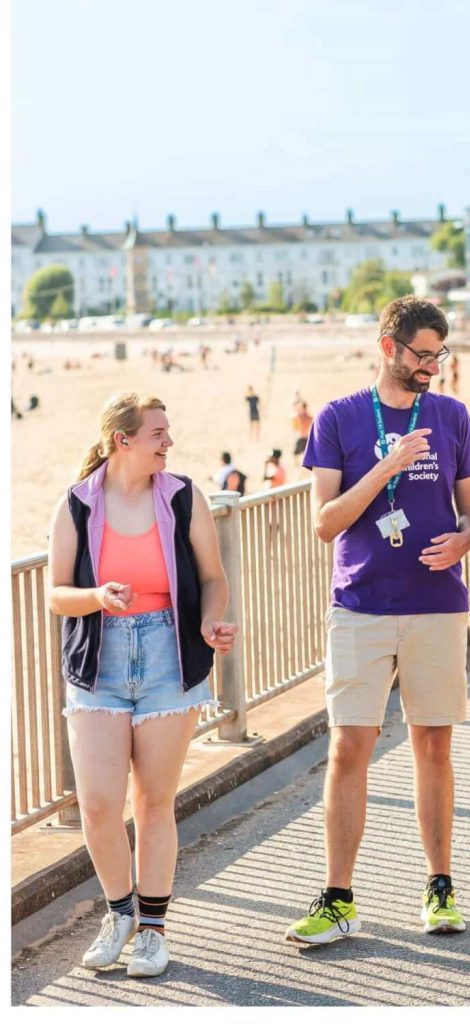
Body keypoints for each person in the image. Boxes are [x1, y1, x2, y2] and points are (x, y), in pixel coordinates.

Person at [289, 296, 470, 945]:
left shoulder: (452, 415)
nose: (431, 366)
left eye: (438, 355)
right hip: (361, 605)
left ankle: (439, 887)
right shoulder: (338, 417)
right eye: (421, 354)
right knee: (350, 747)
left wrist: (466, 539)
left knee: (434, 746)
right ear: (387, 347)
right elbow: (325, 523)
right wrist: (386, 467)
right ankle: (338, 898)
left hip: (436, 604)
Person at [47, 392, 238, 978]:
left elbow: (213, 578)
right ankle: (120, 915)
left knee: (154, 803)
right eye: (158, 433)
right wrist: (96, 596)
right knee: (99, 804)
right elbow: (56, 594)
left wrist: (210, 622)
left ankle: (153, 931)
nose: (169, 442)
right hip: (98, 663)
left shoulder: (183, 497)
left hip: (168, 659)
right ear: (122, 440)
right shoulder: (76, 504)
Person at [292, 399, 314, 468]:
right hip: (307, 437)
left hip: (302, 437)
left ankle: (298, 465)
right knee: (303, 453)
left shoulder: (301, 417)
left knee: (296, 453)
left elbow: (293, 416)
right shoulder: (309, 417)